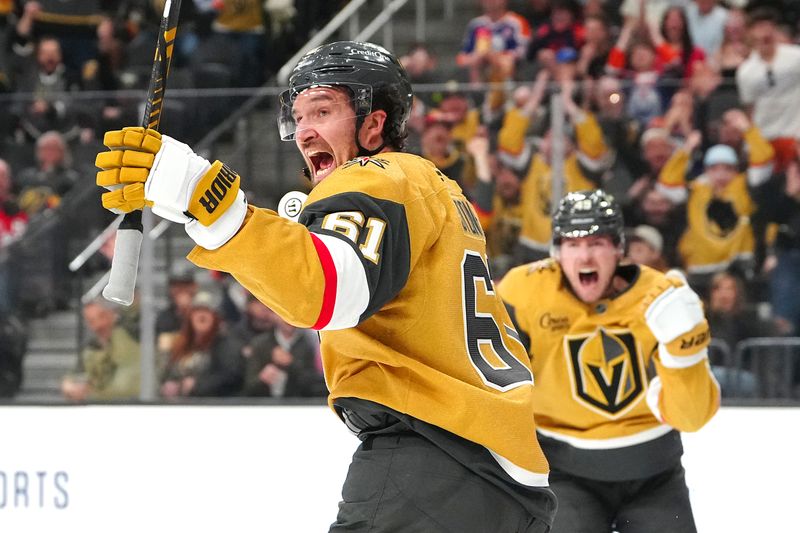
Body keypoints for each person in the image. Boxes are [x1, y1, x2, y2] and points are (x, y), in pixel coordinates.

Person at [94, 41, 556, 531]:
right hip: (499, 473)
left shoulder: (376, 176)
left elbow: (328, 290)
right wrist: (201, 212)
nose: (305, 129)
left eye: (323, 109)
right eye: (299, 115)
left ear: (374, 123)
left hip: (435, 461)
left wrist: (203, 196)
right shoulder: (435, 188)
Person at [497, 190, 720, 533]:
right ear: (556, 251)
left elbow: (691, 418)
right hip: (564, 473)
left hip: (654, 473)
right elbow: (496, 384)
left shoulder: (660, 298)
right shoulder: (522, 293)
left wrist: (686, 351)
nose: (585, 255)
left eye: (597, 242)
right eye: (573, 244)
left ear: (618, 248)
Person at [160, 290, 244, 399]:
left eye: (207, 311)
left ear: (215, 317)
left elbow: (231, 376)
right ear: (190, 317)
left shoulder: (226, 345)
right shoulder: (180, 344)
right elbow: (166, 373)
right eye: (197, 311)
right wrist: (171, 384)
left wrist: (197, 385)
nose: (202, 315)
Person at [60, 298, 140, 402]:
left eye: (101, 317)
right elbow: (76, 374)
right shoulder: (92, 348)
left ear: (112, 315)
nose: (98, 325)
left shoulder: (128, 343)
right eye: (91, 321)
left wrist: (89, 392)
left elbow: (125, 387)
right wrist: (69, 383)